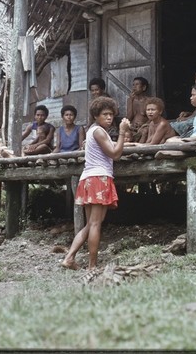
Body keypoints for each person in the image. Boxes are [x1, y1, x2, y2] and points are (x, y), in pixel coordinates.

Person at [61, 96, 131, 270]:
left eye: (111, 115)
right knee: (95, 224)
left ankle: (69, 258)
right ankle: (92, 266)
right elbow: (115, 154)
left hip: (89, 179)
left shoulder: (94, 131)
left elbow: (111, 148)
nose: (109, 117)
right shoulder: (98, 131)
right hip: (99, 179)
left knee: (90, 224)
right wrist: (122, 131)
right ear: (96, 115)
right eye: (105, 114)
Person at [165, 68, 196, 139]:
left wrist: (187, 119)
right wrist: (188, 114)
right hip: (194, 128)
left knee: (166, 129)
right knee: (164, 124)